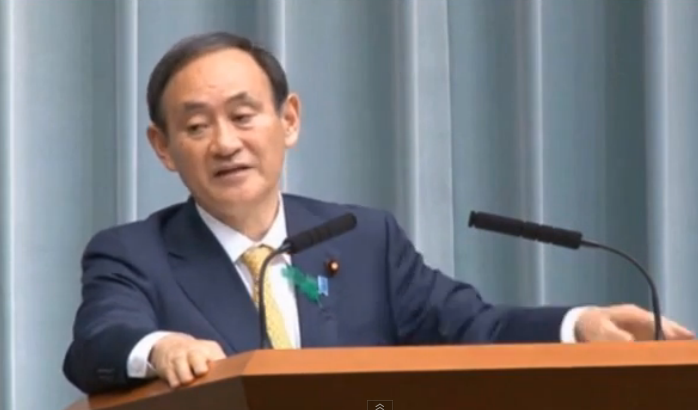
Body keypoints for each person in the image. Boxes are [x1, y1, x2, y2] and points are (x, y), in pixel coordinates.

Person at [62, 31, 694, 395]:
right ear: (164, 148)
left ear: (289, 120)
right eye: (198, 126)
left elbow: (473, 328)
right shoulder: (133, 253)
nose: (225, 143)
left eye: (243, 115)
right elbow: (97, 342)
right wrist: (161, 347)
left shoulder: (361, 238)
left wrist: (579, 326)